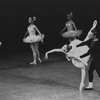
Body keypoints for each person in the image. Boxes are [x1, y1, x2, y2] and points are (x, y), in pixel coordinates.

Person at [44, 20, 97, 91]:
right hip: (76, 58)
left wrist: (93, 26)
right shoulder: (68, 53)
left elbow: (84, 41)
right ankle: (82, 83)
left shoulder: (72, 44)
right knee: (82, 67)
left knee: (87, 38)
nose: (62, 47)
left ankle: (82, 83)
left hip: (79, 51)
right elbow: (56, 50)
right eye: (63, 47)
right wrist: (47, 52)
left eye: (64, 46)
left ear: (67, 47)